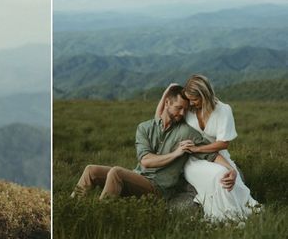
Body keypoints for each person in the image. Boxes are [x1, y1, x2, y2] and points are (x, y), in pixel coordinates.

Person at [72, 85, 237, 203]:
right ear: (167, 104)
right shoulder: (144, 128)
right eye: (179, 108)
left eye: (185, 110)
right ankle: (73, 208)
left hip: (158, 188)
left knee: (116, 172)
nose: (182, 113)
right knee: (91, 170)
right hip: (139, 176)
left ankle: (100, 217)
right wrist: (176, 153)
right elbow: (145, 160)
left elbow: (212, 154)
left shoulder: (187, 133)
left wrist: (231, 170)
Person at [156, 76, 259, 220]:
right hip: (192, 160)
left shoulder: (224, 110)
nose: (191, 103)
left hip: (217, 155)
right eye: (189, 99)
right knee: (219, 175)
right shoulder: (189, 109)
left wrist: (198, 149)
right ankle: (226, 216)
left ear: (205, 95)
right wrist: (166, 93)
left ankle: (237, 213)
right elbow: (161, 118)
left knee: (229, 176)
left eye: (195, 99)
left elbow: (223, 143)